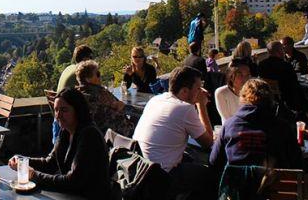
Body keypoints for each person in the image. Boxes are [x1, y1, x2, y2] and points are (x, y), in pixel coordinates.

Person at [9, 88, 110, 200]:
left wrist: (33, 175)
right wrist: (22, 161)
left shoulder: (89, 135)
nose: (58, 115)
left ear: (78, 110)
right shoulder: (66, 131)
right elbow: (50, 163)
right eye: (56, 110)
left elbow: (73, 182)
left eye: (64, 110)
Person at [132, 66, 214, 200]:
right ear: (185, 91)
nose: (201, 91)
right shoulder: (184, 108)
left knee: (190, 158)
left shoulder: (156, 100)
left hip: (142, 170)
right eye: (198, 88)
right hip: (161, 178)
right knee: (210, 176)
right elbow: (208, 142)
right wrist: (201, 105)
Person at [210, 79, 302, 170]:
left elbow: (214, 161)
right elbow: (297, 162)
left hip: (237, 183)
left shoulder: (229, 126)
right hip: (273, 183)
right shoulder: (282, 128)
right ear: (270, 100)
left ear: (242, 98)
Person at [76, 60, 131, 136]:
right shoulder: (99, 92)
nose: (100, 76)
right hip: (116, 133)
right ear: (87, 79)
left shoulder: (77, 95)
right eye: (97, 74)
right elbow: (120, 105)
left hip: (95, 135)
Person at [258, 41, 306, 113]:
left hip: (268, 97)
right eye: (282, 49)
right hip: (287, 98)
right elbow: (294, 83)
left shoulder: (261, 65)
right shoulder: (286, 66)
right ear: (279, 51)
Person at [214, 59, 251, 123]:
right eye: (240, 75)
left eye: (247, 75)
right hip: (232, 130)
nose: (245, 79)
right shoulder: (221, 92)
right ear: (231, 76)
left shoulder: (252, 91)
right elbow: (227, 120)